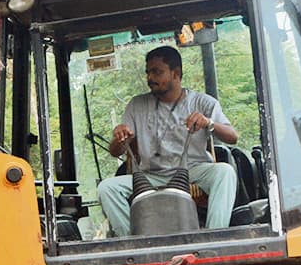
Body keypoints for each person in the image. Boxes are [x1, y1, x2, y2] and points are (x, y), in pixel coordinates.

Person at [98, 45, 239, 237]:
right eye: (148, 72)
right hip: (150, 175)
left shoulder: (203, 102)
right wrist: (121, 137)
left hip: (193, 171)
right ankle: (133, 241)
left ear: (176, 73)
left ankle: (212, 238)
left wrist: (208, 123)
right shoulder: (136, 104)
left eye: (157, 72)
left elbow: (233, 137)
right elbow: (115, 152)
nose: (150, 78)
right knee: (106, 188)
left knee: (225, 172)